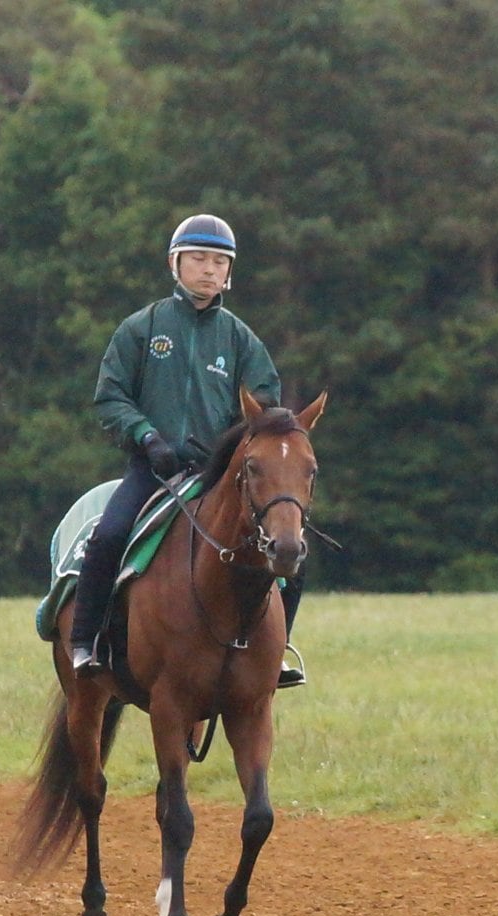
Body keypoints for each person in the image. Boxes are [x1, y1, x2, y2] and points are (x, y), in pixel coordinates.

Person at [69, 213, 308, 687]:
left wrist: (233, 450)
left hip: (217, 474)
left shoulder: (242, 340)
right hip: (152, 468)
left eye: (220, 261)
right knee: (110, 535)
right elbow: (110, 396)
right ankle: (86, 641)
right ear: (175, 263)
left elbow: (265, 412)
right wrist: (147, 437)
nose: (209, 270)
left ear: (230, 272)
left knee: (289, 553)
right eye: (198, 259)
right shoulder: (141, 328)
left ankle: (276, 654)